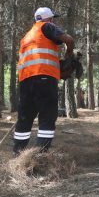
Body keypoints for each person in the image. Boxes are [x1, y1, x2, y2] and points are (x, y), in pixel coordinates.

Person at [14, 8, 75, 153]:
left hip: (25, 80)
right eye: (53, 19)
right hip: (44, 78)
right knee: (47, 116)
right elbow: (69, 40)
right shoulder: (46, 26)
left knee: (25, 118)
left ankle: (18, 154)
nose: (53, 21)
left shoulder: (26, 37)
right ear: (50, 19)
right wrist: (68, 54)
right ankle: (40, 155)